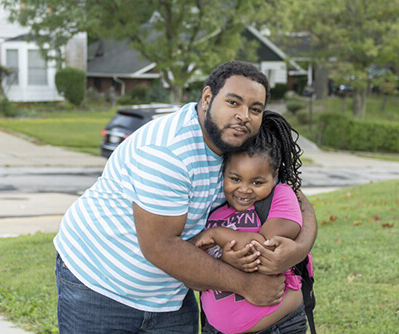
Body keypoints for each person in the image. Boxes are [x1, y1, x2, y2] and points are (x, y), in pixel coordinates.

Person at [53, 60, 317, 333]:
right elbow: (160, 246)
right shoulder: (168, 152)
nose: (244, 116)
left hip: (172, 291)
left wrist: (297, 250)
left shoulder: (241, 142)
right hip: (100, 282)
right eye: (233, 103)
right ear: (207, 98)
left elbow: (293, 196)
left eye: (255, 109)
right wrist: (246, 284)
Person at [194, 111, 310, 334]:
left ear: (275, 176)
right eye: (235, 179)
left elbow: (263, 246)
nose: (244, 189)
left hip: (276, 326)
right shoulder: (215, 207)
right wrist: (226, 257)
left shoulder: (281, 196)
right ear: (224, 173)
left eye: (257, 182)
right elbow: (195, 259)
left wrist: (217, 236)